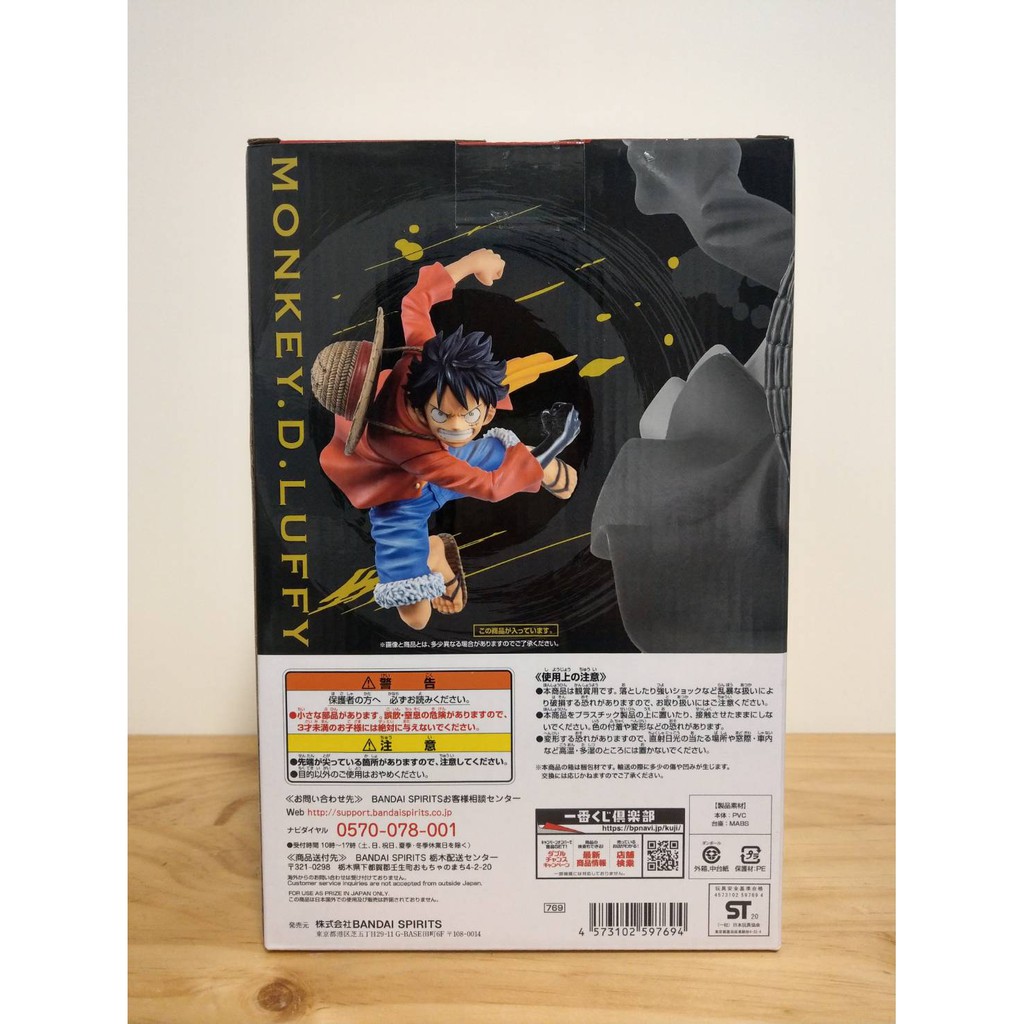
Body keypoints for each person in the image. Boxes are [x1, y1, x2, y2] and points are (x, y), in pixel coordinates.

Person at [318, 248, 579, 630]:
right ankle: (433, 551)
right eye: (442, 416)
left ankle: (538, 465)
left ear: (488, 410)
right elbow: (489, 487)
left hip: (446, 462)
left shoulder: (422, 355)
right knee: (416, 617)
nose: (457, 427)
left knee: (552, 475)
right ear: (423, 408)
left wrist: (471, 263)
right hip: (397, 501)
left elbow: (416, 300)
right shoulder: (404, 445)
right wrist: (552, 444)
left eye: (470, 415)